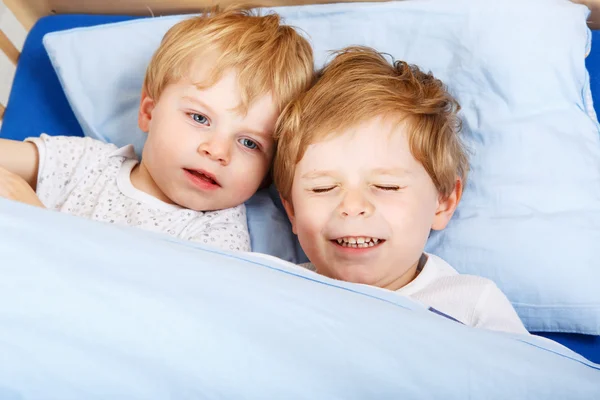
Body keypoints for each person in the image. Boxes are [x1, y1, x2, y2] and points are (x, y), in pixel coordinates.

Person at [0, 7, 314, 253]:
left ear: (268, 172)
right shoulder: (88, 162)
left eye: (249, 142)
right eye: (200, 118)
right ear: (149, 111)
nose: (217, 151)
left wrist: (38, 219)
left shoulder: (218, 236)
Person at [272, 46, 528, 333]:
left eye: (386, 186)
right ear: (291, 210)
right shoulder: (277, 292)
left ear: (443, 203)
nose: (352, 205)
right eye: (323, 188)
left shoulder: (471, 305)